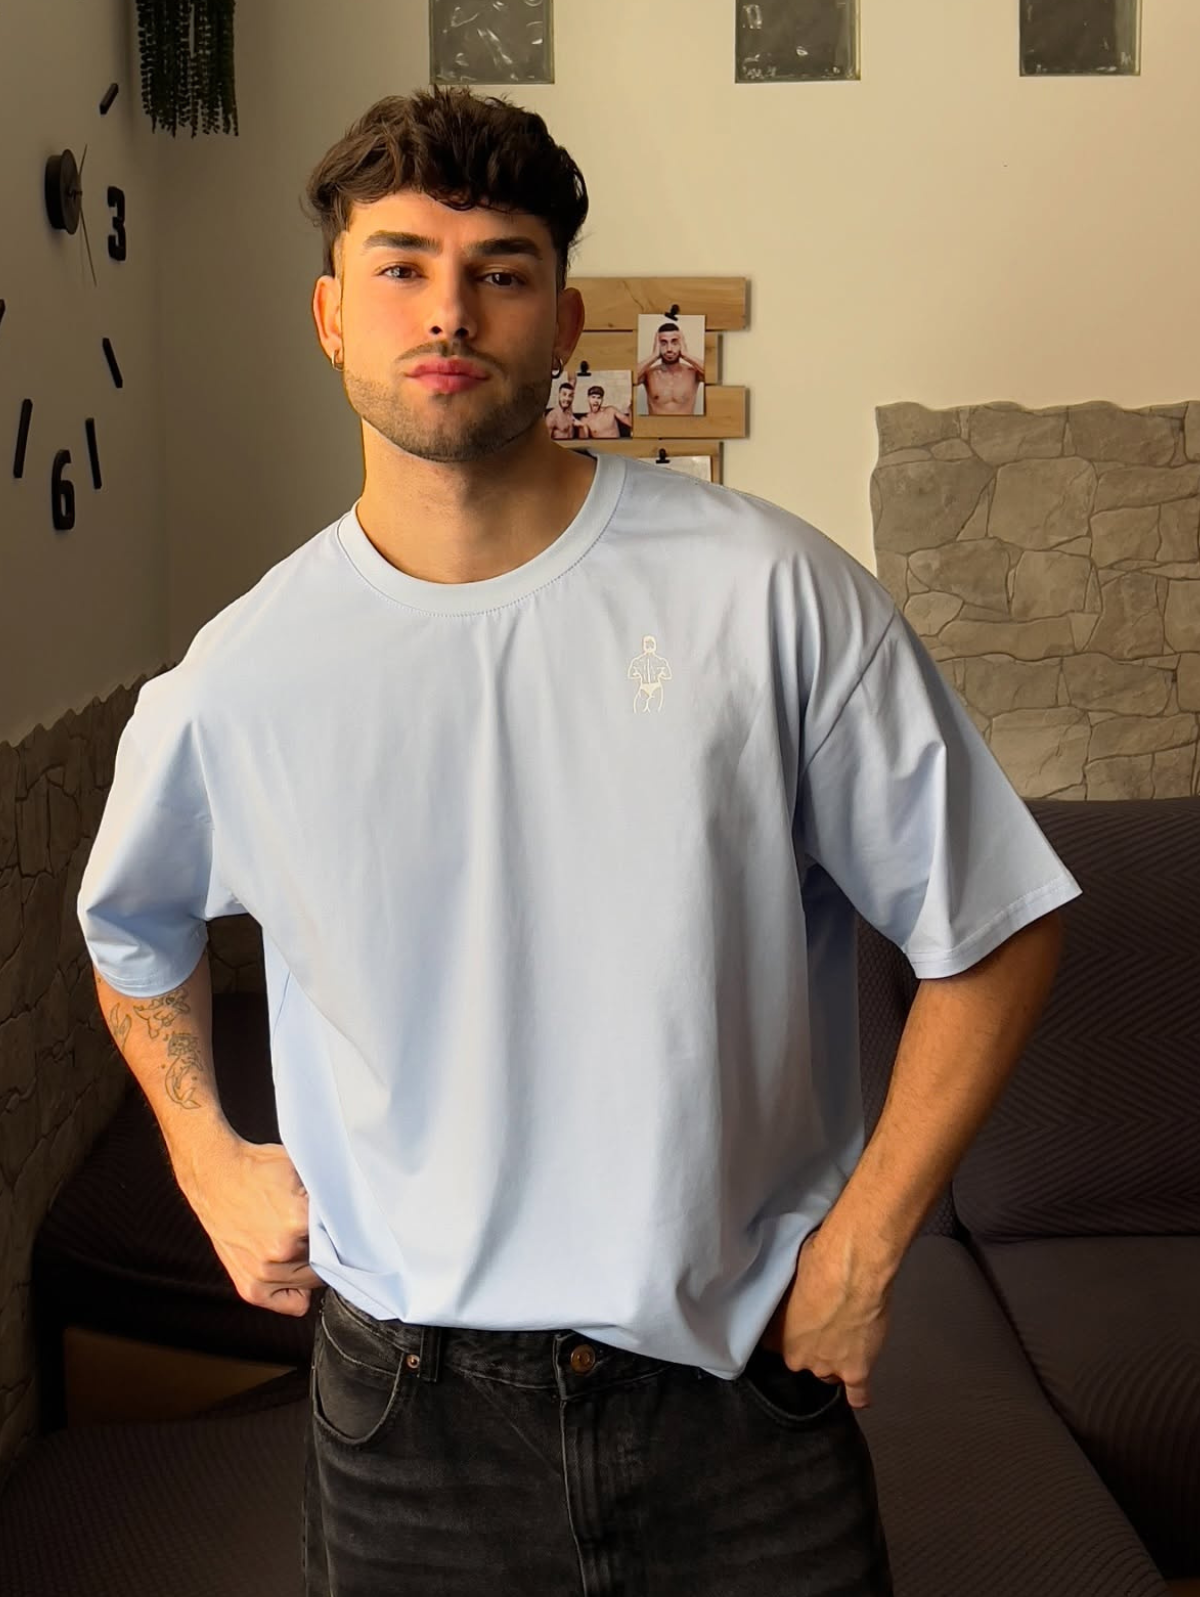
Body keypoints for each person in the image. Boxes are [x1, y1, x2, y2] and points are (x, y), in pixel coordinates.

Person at [76, 86, 1080, 1597]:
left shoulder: (768, 596)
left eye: (501, 270)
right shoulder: (241, 678)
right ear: (331, 316)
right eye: (401, 266)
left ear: (563, 322)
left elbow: (996, 925)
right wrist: (206, 1155)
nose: (448, 310)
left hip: (736, 1398)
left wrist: (868, 1245)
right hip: (403, 1420)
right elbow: (131, 931)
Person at [635, 318, 706, 414]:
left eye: (674, 342)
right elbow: (627, 378)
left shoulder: (693, 373)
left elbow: (714, 375)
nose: (669, 349)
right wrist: (654, 356)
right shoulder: (649, 374)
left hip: (685, 424)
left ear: (681, 344)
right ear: (657, 346)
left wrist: (686, 355)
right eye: (663, 343)